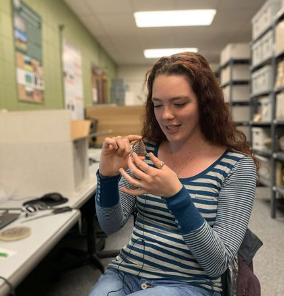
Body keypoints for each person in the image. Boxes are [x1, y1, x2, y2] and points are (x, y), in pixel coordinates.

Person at [88, 52, 258, 296]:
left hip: (192, 283)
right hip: (128, 271)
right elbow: (111, 225)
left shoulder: (236, 166)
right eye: (158, 105)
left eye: (179, 104)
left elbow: (217, 264)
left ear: (204, 103)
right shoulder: (144, 151)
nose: (166, 115)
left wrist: (176, 195)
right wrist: (108, 176)